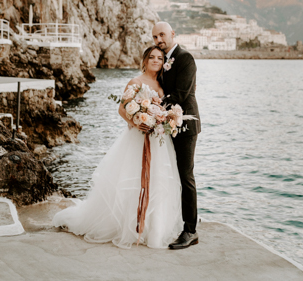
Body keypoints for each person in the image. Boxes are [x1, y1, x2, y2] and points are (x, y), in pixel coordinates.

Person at [52, 46, 183, 249]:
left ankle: (153, 229)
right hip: (137, 139)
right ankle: (128, 226)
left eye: (159, 58)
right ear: (145, 60)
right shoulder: (135, 82)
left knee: (157, 182)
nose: (156, 61)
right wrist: (136, 121)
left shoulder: (161, 85)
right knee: (131, 181)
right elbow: (122, 108)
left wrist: (162, 122)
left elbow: (163, 111)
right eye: (152, 57)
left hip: (158, 142)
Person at [152, 21, 201, 250]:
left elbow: (180, 94)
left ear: (172, 34)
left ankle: (190, 231)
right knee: (169, 175)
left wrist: (153, 108)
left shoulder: (185, 58)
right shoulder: (161, 60)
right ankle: (172, 221)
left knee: (186, 177)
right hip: (167, 125)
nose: (159, 39)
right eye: (155, 37)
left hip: (185, 125)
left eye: (162, 34)